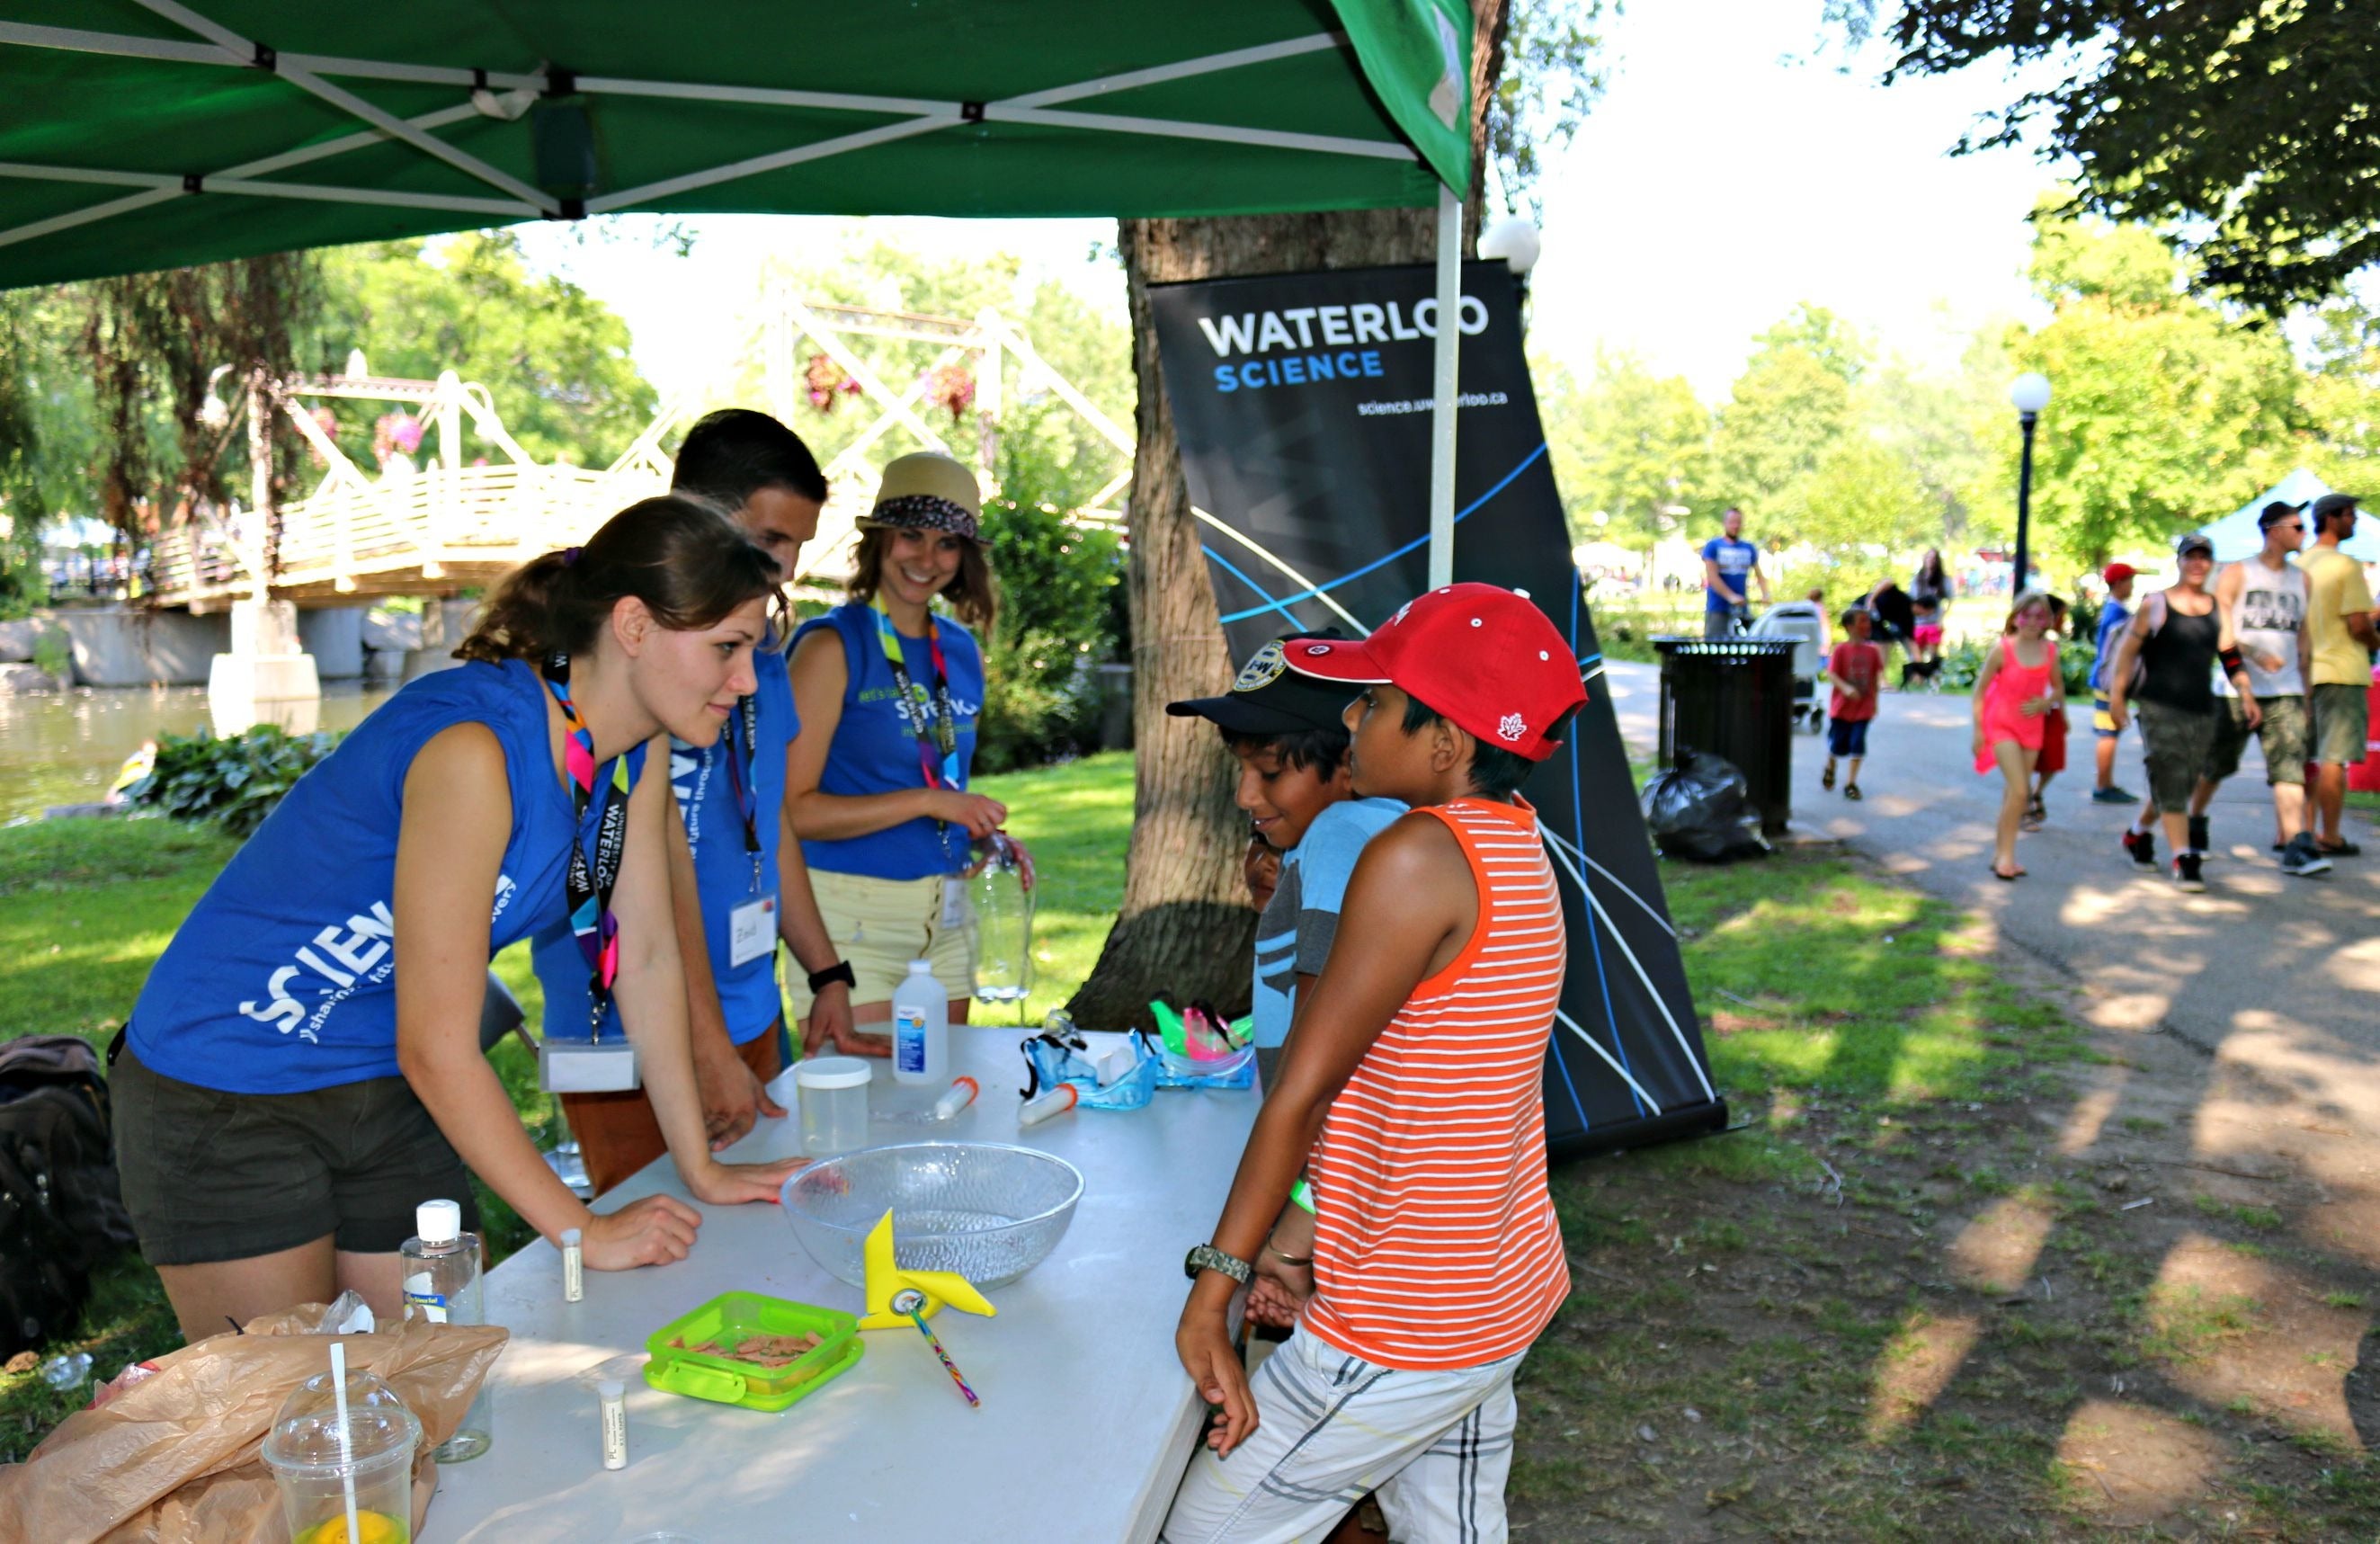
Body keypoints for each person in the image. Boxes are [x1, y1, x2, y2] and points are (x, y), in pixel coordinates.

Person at [111, 499, 807, 1343]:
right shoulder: (476, 750)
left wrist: (699, 1165)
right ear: (631, 625)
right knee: (287, 1411)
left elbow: (650, 956)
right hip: (227, 1084)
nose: (744, 680)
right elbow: (437, 1044)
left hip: (381, 1081)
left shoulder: (635, 750)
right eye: (726, 649)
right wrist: (583, 1231)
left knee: (424, 1381)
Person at [1164, 584, 1583, 1544]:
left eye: (1376, 702)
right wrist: (1312, 1230)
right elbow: (1430, 1092)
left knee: (1205, 1529)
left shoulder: (1414, 855)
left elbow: (1303, 1093)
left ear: (1445, 742)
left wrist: (1213, 1288)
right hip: (1492, 1284)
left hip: (1408, 1318)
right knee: (1450, 1527)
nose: (1350, 717)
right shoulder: (1516, 842)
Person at [531, 411, 869, 1198]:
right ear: (701, 519)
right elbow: (650, 874)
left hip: (749, 1003)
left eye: (796, 547)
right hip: (626, 1027)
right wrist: (704, 1045)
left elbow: (771, 818)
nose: (784, 569)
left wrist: (825, 972)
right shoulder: (631, 666)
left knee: (761, 1231)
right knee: (649, 1247)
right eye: (772, 541)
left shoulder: (756, 654)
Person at [786, 451, 1011, 1033]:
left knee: (941, 1101)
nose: (926, 558)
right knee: (873, 1115)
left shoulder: (959, 650)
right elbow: (793, 810)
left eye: (947, 543)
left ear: (964, 557)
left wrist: (977, 828)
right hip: (851, 915)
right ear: (880, 540)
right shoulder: (829, 646)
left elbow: (939, 780)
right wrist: (931, 802)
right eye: (911, 535)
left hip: (948, 908)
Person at [1164, 634, 1404, 1084]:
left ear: (1351, 761)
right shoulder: (1353, 829)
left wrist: (1282, 1155)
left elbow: (1312, 1058)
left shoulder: (1341, 833)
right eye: (1242, 768)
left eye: (1270, 772)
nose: (1244, 796)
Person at [2106, 533, 2260, 893]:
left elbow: (2230, 654)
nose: (2197, 564)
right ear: (2179, 561)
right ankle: (2184, 857)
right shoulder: (2156, 604)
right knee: (2170, 773)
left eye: (2204, 558)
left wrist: (2247, 694)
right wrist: (2117, 697)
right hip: (2158, 705)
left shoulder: (2217, 607)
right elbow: (2128, 652)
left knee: (2182, 780)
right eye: (2190, 557)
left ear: (2211, 564)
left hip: (2201, 708)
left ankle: (2137, 834)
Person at [2194, 502, 2329, 877]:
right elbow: (2220, 629)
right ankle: (2194, 819)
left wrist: (2306, 690)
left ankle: (2297, 844)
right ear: (2272, 529)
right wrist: (2253, 653)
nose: (2305, 534)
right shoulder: (2238, 573)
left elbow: (2303, 637)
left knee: (2290, 770)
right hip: (2235, 689)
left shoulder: (2302, 579)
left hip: (2285, 690)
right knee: (2217, 766)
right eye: (2298, 527)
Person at [2304, 493, 2377, 860]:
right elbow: (2359, 624)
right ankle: (2330, 836)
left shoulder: (2299, 563)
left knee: (2308, 757)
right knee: (2334, 758)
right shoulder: (2345, 566)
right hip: (2342, 670)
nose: (2355, 522)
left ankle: (2300, 832)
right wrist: (2375, 640)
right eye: (2350, 515)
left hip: (2306, 673)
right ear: (2331, 519)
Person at [1971, 590, 2063, 881]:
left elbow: (2059, 689)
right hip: (2002, 727)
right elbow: (1980, 691)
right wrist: (1978, 731)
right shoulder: (2003, 649)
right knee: (2022, 791)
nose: (2033, 622)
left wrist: (2045, 703)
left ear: (2048, 620)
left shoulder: (2050, 652)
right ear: (2016, 617)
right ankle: (2007, 857)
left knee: (2014, 793)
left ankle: (2000, 853)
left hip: (2032, 728)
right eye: (2027, 615)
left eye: (2040, 616)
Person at [2090, 563, 2141, 803]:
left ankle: (2106, 782)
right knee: (2108, 732)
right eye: (2129, 581)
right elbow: (2116, 652)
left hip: (2106, 679)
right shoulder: (2117, 615)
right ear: (2119, 584)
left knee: (2111, 731)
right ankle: (2103, 785)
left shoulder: (2115, 610)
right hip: (2108, 681)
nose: (2132, 586)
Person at [1822, 606, 1881, 799]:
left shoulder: (1872, 651)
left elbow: (1874, 679)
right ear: (1850, 626)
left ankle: (1850, 783)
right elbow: (1831, 673)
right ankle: (1831, 764)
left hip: (1863, 708)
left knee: (1857, 743)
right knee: (1838, 746)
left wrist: (1875, 704)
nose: (1867, 625)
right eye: (1862, 621)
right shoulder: (1841, 649)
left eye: (1868, 621)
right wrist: (1845, 688)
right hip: (1841, 709)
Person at [2025, 596, 2073, 829]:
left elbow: (2058, 684)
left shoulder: (2050, 647)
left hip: (2050, 710)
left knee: (2053, 761)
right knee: (2024, 762)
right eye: (2059, 615)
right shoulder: (2015, 644)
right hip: (2025, 711)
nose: (2061, 620)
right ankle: (2023, 806)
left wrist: (2063, 714)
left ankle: (2036, 793)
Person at [1700, 506, 1767, 638]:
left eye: (1738, 522)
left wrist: (1766, 594)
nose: (1735, 526)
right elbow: (1712, 577)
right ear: (1725, 523)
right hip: (1718, 608)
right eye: (1732, 522)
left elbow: (1760, 575)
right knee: (1715, 647)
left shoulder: (1749, 548)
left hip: (1742, 610)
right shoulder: (1713, 546)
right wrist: (1731, 597)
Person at [1867, 575, 1917, 686]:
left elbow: (1911, 643)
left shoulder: (1908, 620)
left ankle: (1880, 678)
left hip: (1878, 620)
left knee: (1887, 641)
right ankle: (1879, 680)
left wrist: (1919, 669)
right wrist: (1871, 600)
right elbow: (1888, 580)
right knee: (1882, 643)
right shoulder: (1904, 599)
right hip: (1866, 610)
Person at [1909, 549, 1949, 678]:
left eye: (1934, 558)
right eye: (1929, 558)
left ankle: (1933, 677)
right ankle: (1918, 677)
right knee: (1917, 652)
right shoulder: (1917, 579)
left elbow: (1949, 600)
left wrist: (1941, 619)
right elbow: (1911, 600)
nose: (1931, 561)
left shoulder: (1943, 580)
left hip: (1934, 622)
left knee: (1933, 652)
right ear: (1924, 560)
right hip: (1918, 622)